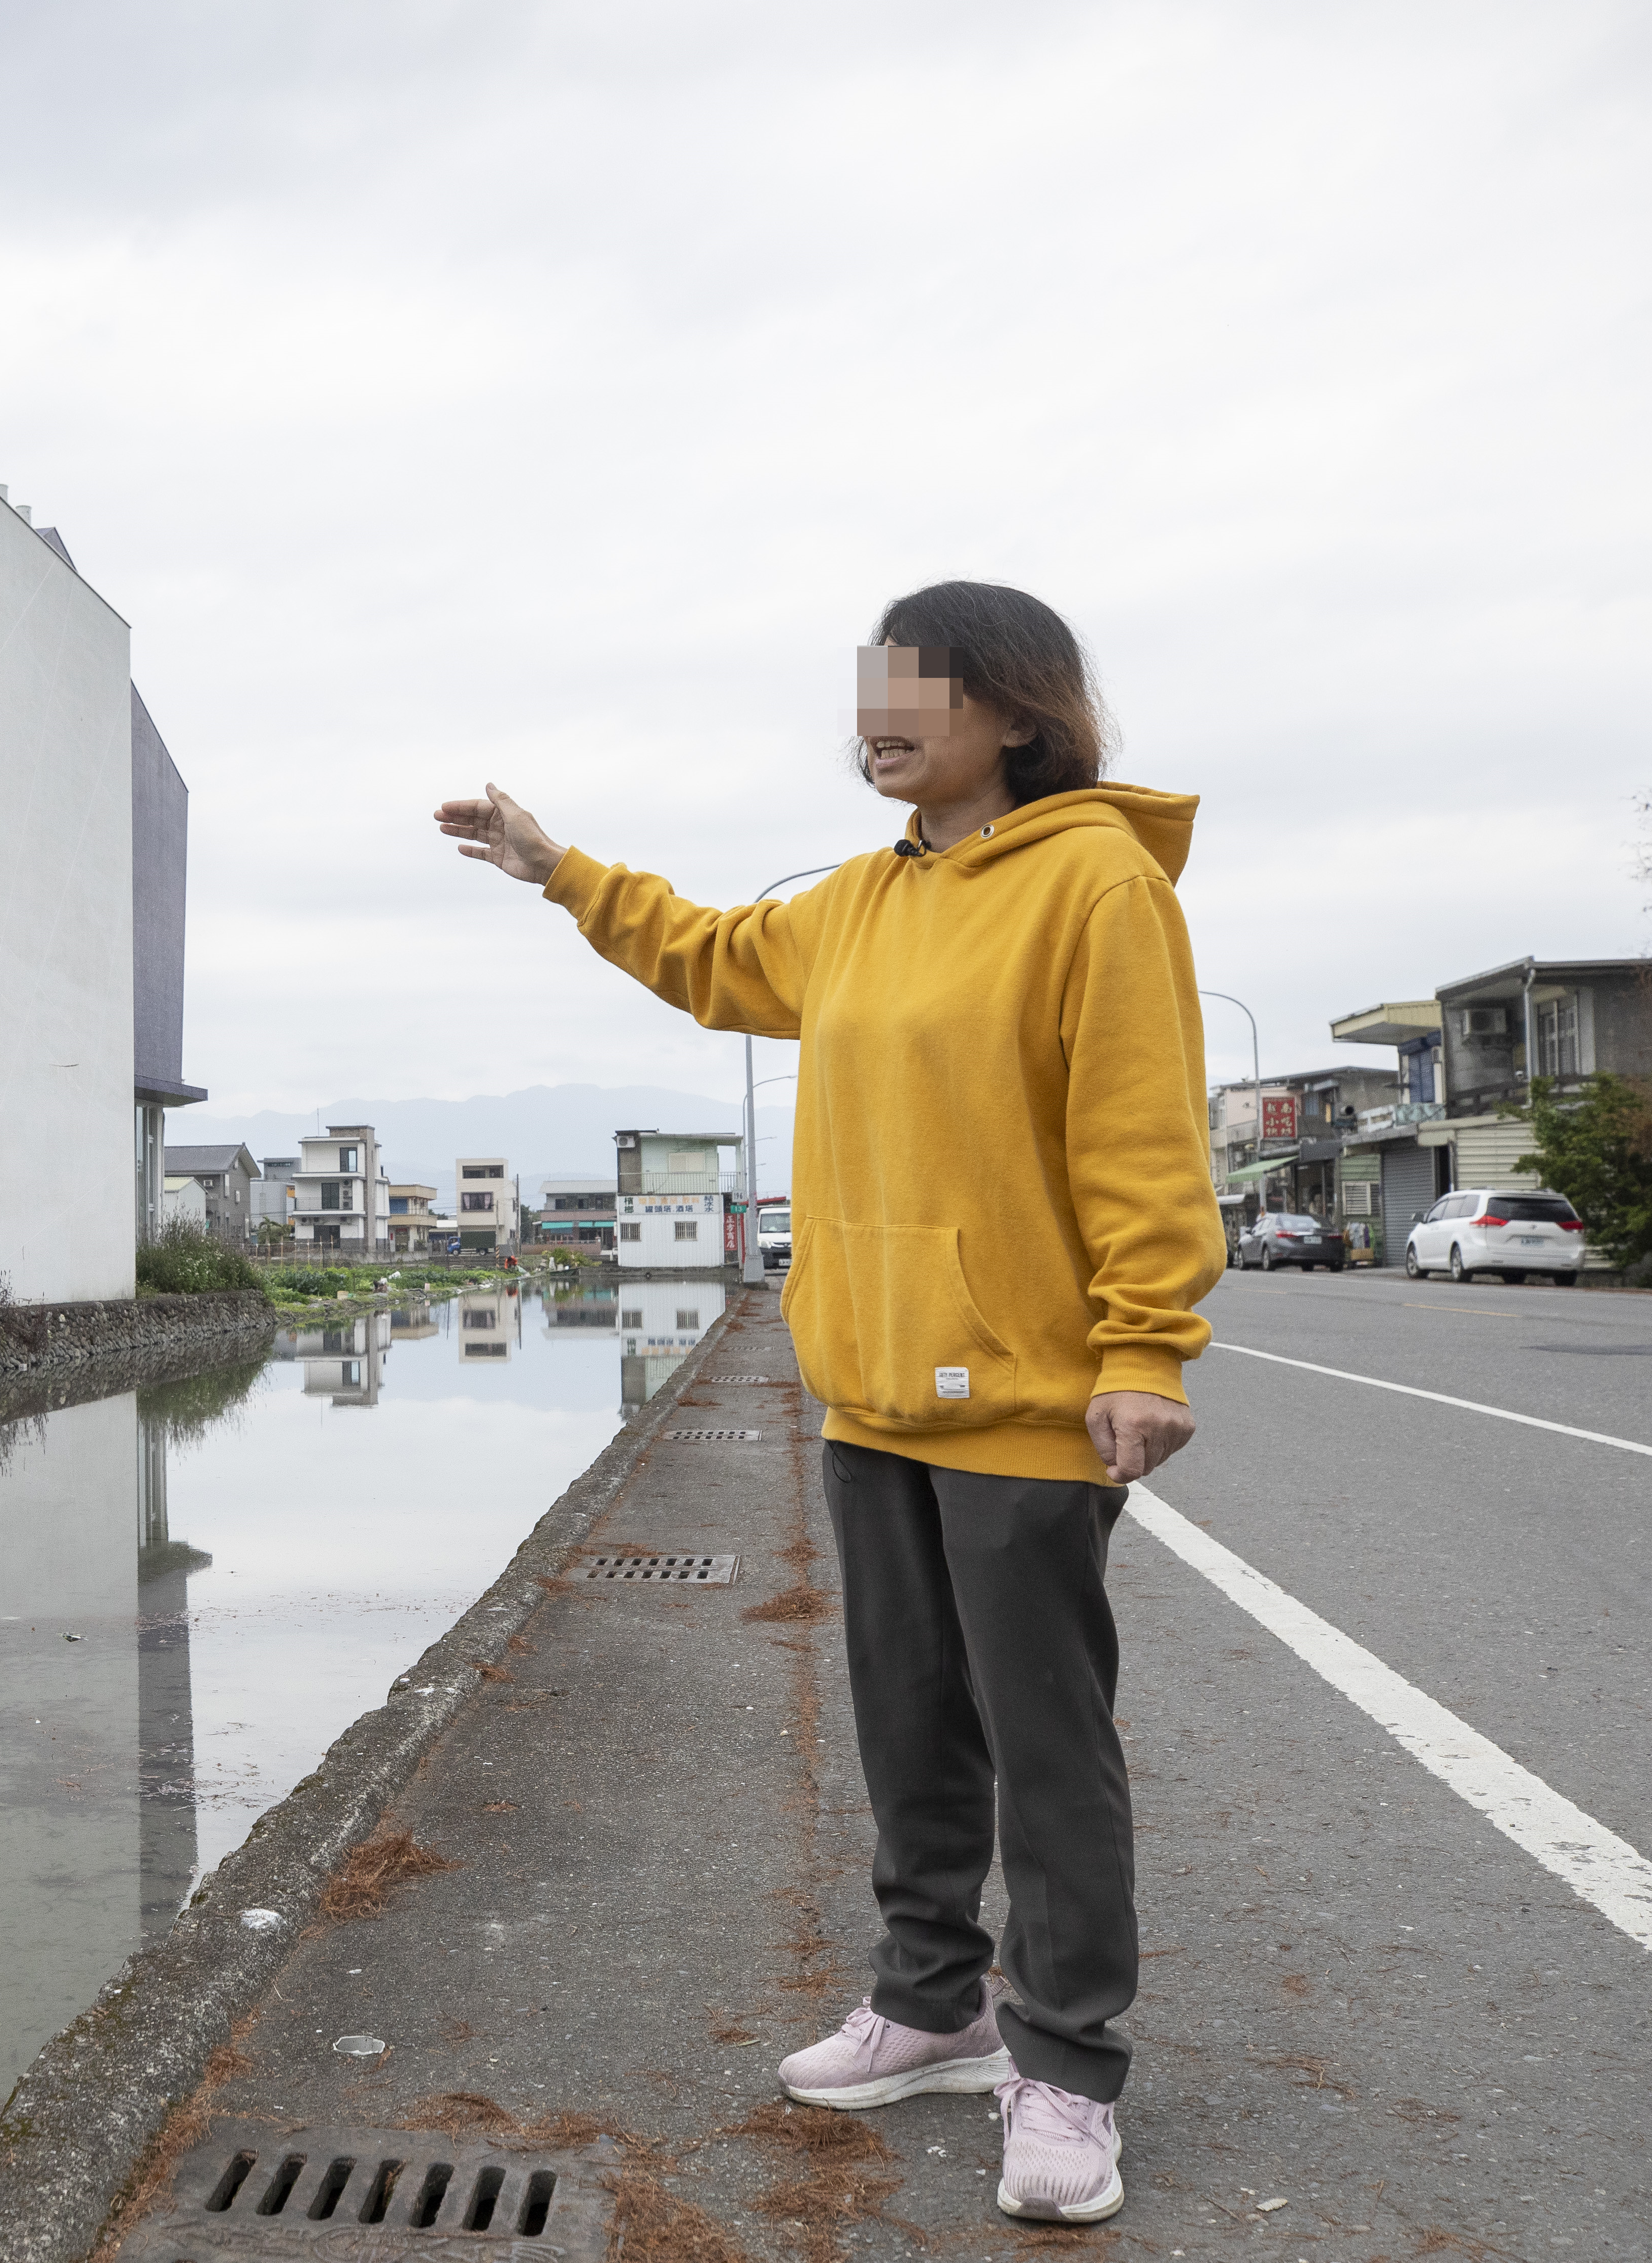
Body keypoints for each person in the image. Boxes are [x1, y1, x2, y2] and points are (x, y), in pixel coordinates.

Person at [432, 581, 1219, 2227]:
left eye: (912, 693)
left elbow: (1140, 1135)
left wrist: (1145, 1348)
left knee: (1046, 1749)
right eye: (867, 698)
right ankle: (932, 2003)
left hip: (1024, 1401)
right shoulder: (859, 900)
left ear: (1015, 708)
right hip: (869, 1395)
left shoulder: (1097, 884)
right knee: (910, 1727)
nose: (876, 724)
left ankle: (1067, 2067)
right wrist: (557, 867)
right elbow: (712, 958)